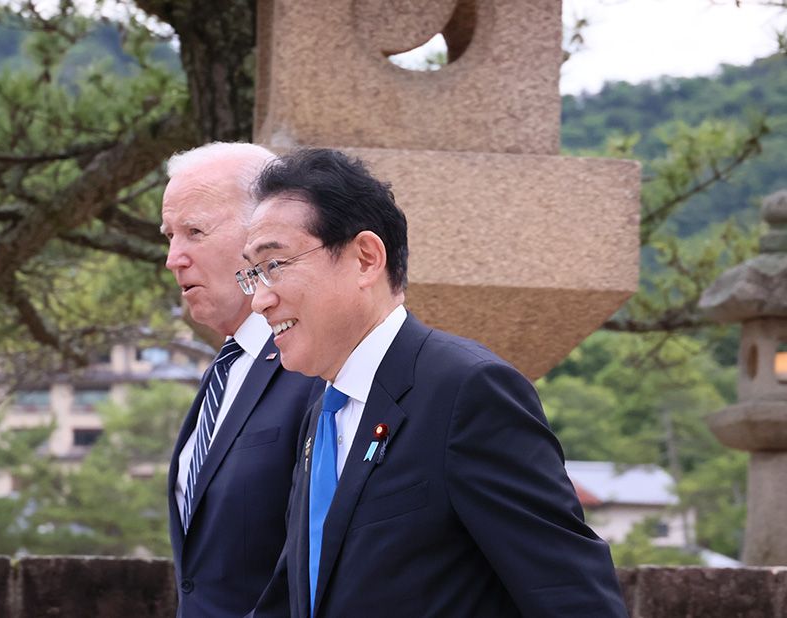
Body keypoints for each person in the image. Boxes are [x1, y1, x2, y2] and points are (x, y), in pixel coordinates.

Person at [241, 148, 629, 617]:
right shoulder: (323, 411)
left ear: (365, 259)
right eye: (253, 274)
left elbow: (572, 596)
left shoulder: (468, 391)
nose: (259, 300)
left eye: (275, 265)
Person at [160, 142, 322, 617]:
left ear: (264, 231)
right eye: (169, 236)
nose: (173, 258)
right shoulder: (226, 367)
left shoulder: (315, 364)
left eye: (194, 231)